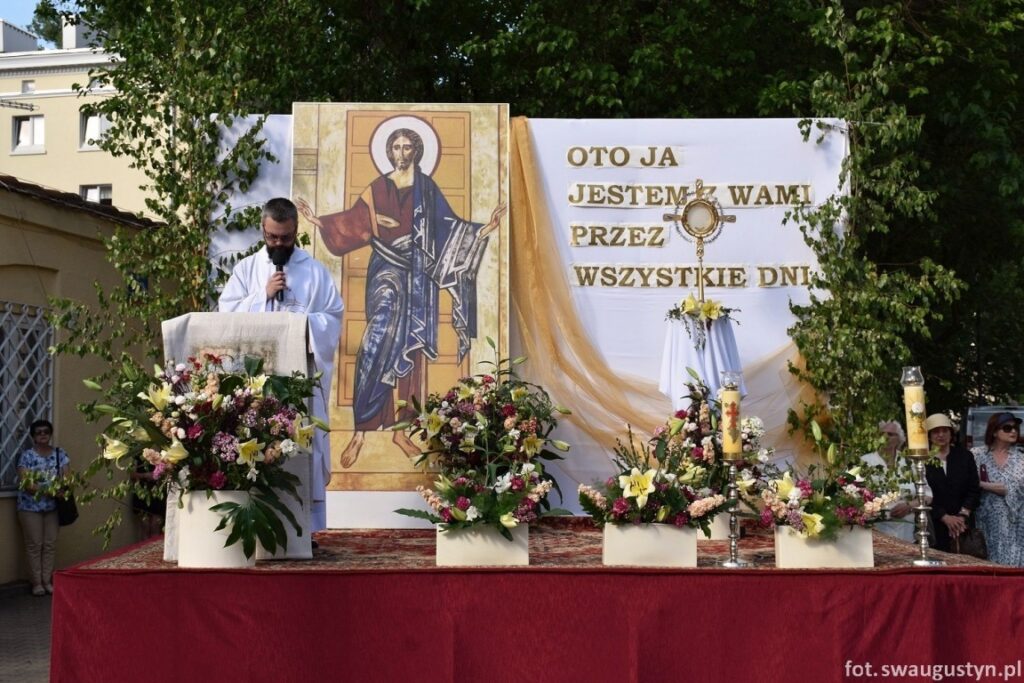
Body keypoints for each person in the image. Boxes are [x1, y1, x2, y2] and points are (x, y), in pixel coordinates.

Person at [297, 127, 505, 468]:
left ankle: (402, 430)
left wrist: (484, 229)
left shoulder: (427, 187)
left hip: (417, 275)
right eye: (397, 146)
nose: (402, 152)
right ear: (390, 151)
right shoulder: (377, 188)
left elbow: (449, 227)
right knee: (375, 342)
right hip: (385, 270)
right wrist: (319, 221)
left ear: (417, 151)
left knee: (412, 348)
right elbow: (353, 224)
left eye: (408, 147)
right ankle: (361, 430)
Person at [219, 197, 344, 532]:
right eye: (272, 237)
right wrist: (263, 295)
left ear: (295, 231)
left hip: (300, 384)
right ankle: (256, 526)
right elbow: (226, 317)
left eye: (285, 238)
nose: (278, 244)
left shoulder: (315, 272)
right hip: (257, 384)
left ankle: (304, 530)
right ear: (263, 230)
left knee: (301, 451)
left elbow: (333, 318)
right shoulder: (246, 270)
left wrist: (302, 322)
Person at [16, 419, 70, 596]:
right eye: (38, 432)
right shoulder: (27, 456)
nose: (42, 435)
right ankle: (36, 583)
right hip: (30, 507)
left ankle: (47, 581)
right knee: (34, 545)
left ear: (50, 434)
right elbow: (27, 484)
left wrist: (62, 488)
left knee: (49, 544)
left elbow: (67, 478)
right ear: (33, 436)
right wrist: (52, 491)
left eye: (46, 431)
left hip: (52, 508)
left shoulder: (60, 454)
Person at [972, 412, 1024, 566]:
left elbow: (1015, 488)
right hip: (986, 521)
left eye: (1015, 428)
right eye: (1007, 428)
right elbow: (967, 483)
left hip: (1015, 523)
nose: (1013, 431)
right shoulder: (977, 455)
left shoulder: (1020, 459)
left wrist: (982, 484)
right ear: (994, 432)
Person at [924, 413, 981, 552]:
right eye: (936, 431)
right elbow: (924, 493)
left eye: (945, 430)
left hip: (963, 523)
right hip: (935, 523)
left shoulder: (965, 456)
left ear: (951, 433)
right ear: (929, 436)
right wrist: (944, 517)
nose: (941, 435)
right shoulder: (923, 460)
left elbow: (974, 488)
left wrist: (962, 515)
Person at [860, 420, 915, 542]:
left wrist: (909, 506)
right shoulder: (865, 461)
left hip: (906, 532)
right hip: (876, 531)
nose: (885, 437)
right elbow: (854, 494)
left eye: (890, 434)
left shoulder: (909, 463)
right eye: (882, 434)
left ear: (899, 439)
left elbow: (927, 495)